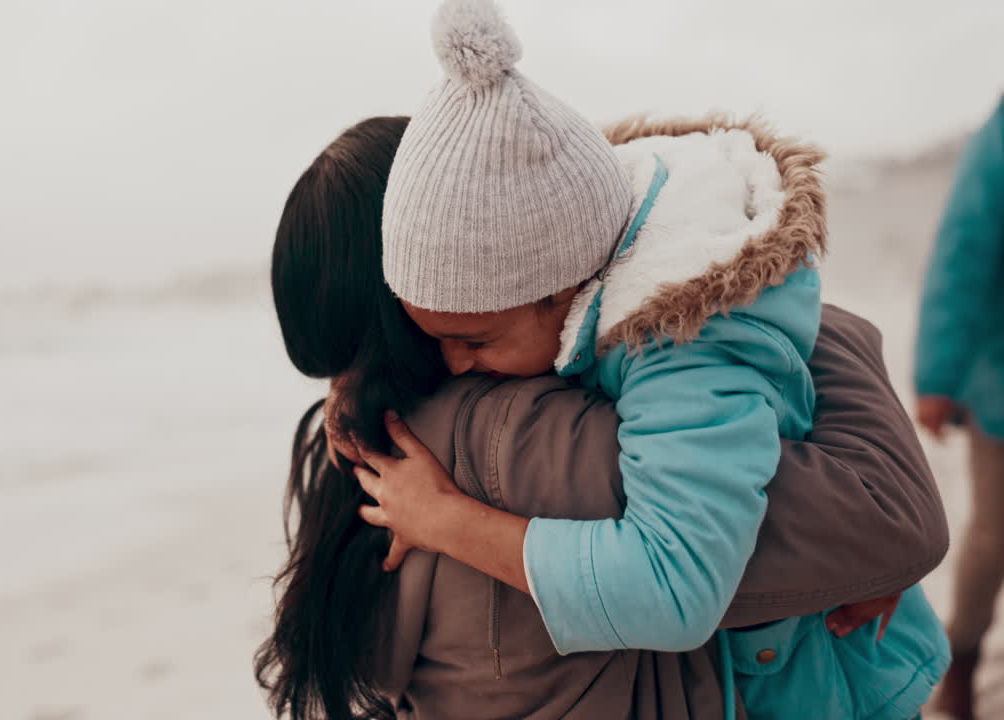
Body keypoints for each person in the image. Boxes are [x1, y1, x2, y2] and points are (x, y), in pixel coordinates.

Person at [347, 2, 945, 718]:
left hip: (814, 685)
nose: (452, 366)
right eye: (433, 338)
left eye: (475, 341)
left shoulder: (682, 347)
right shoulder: (591, 243)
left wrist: (446, 521)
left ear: (561, 289)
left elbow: (673, 588)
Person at [918, 95, 1004, 720]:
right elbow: (962, 256)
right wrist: (937, 378)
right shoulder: (998, 141)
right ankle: (963, 660)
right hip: (999, 385)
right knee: (993, 537)